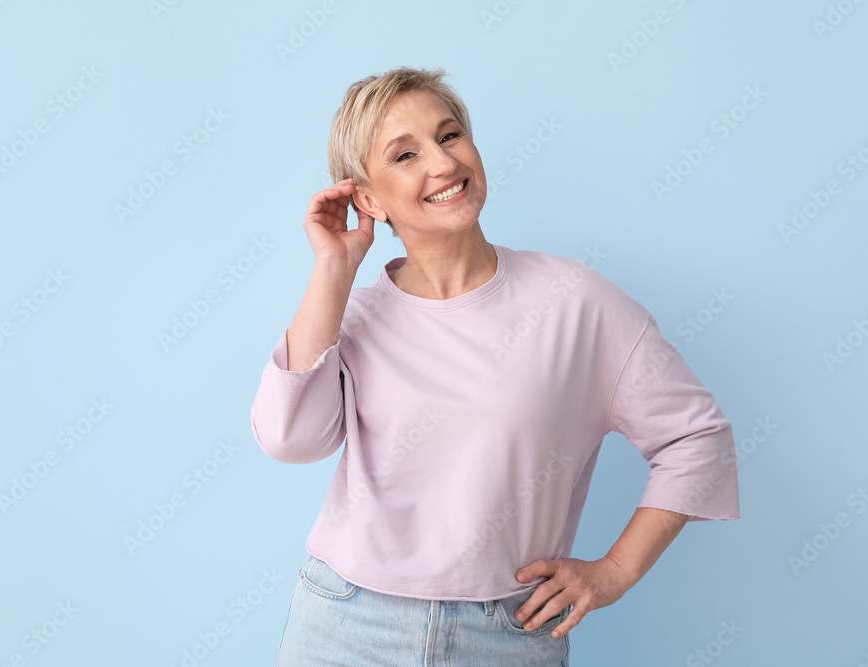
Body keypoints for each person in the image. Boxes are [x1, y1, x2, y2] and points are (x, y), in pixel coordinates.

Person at [250, 66, 740, 666]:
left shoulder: (575, 301)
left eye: (450, 135)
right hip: (347, 625)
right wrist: (332, 268)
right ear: (368, 197)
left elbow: (697, 438)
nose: (443, 163)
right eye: (405, 154)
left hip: (507, 633)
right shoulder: (350, 311)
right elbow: (289, 439)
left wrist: (614, 571)